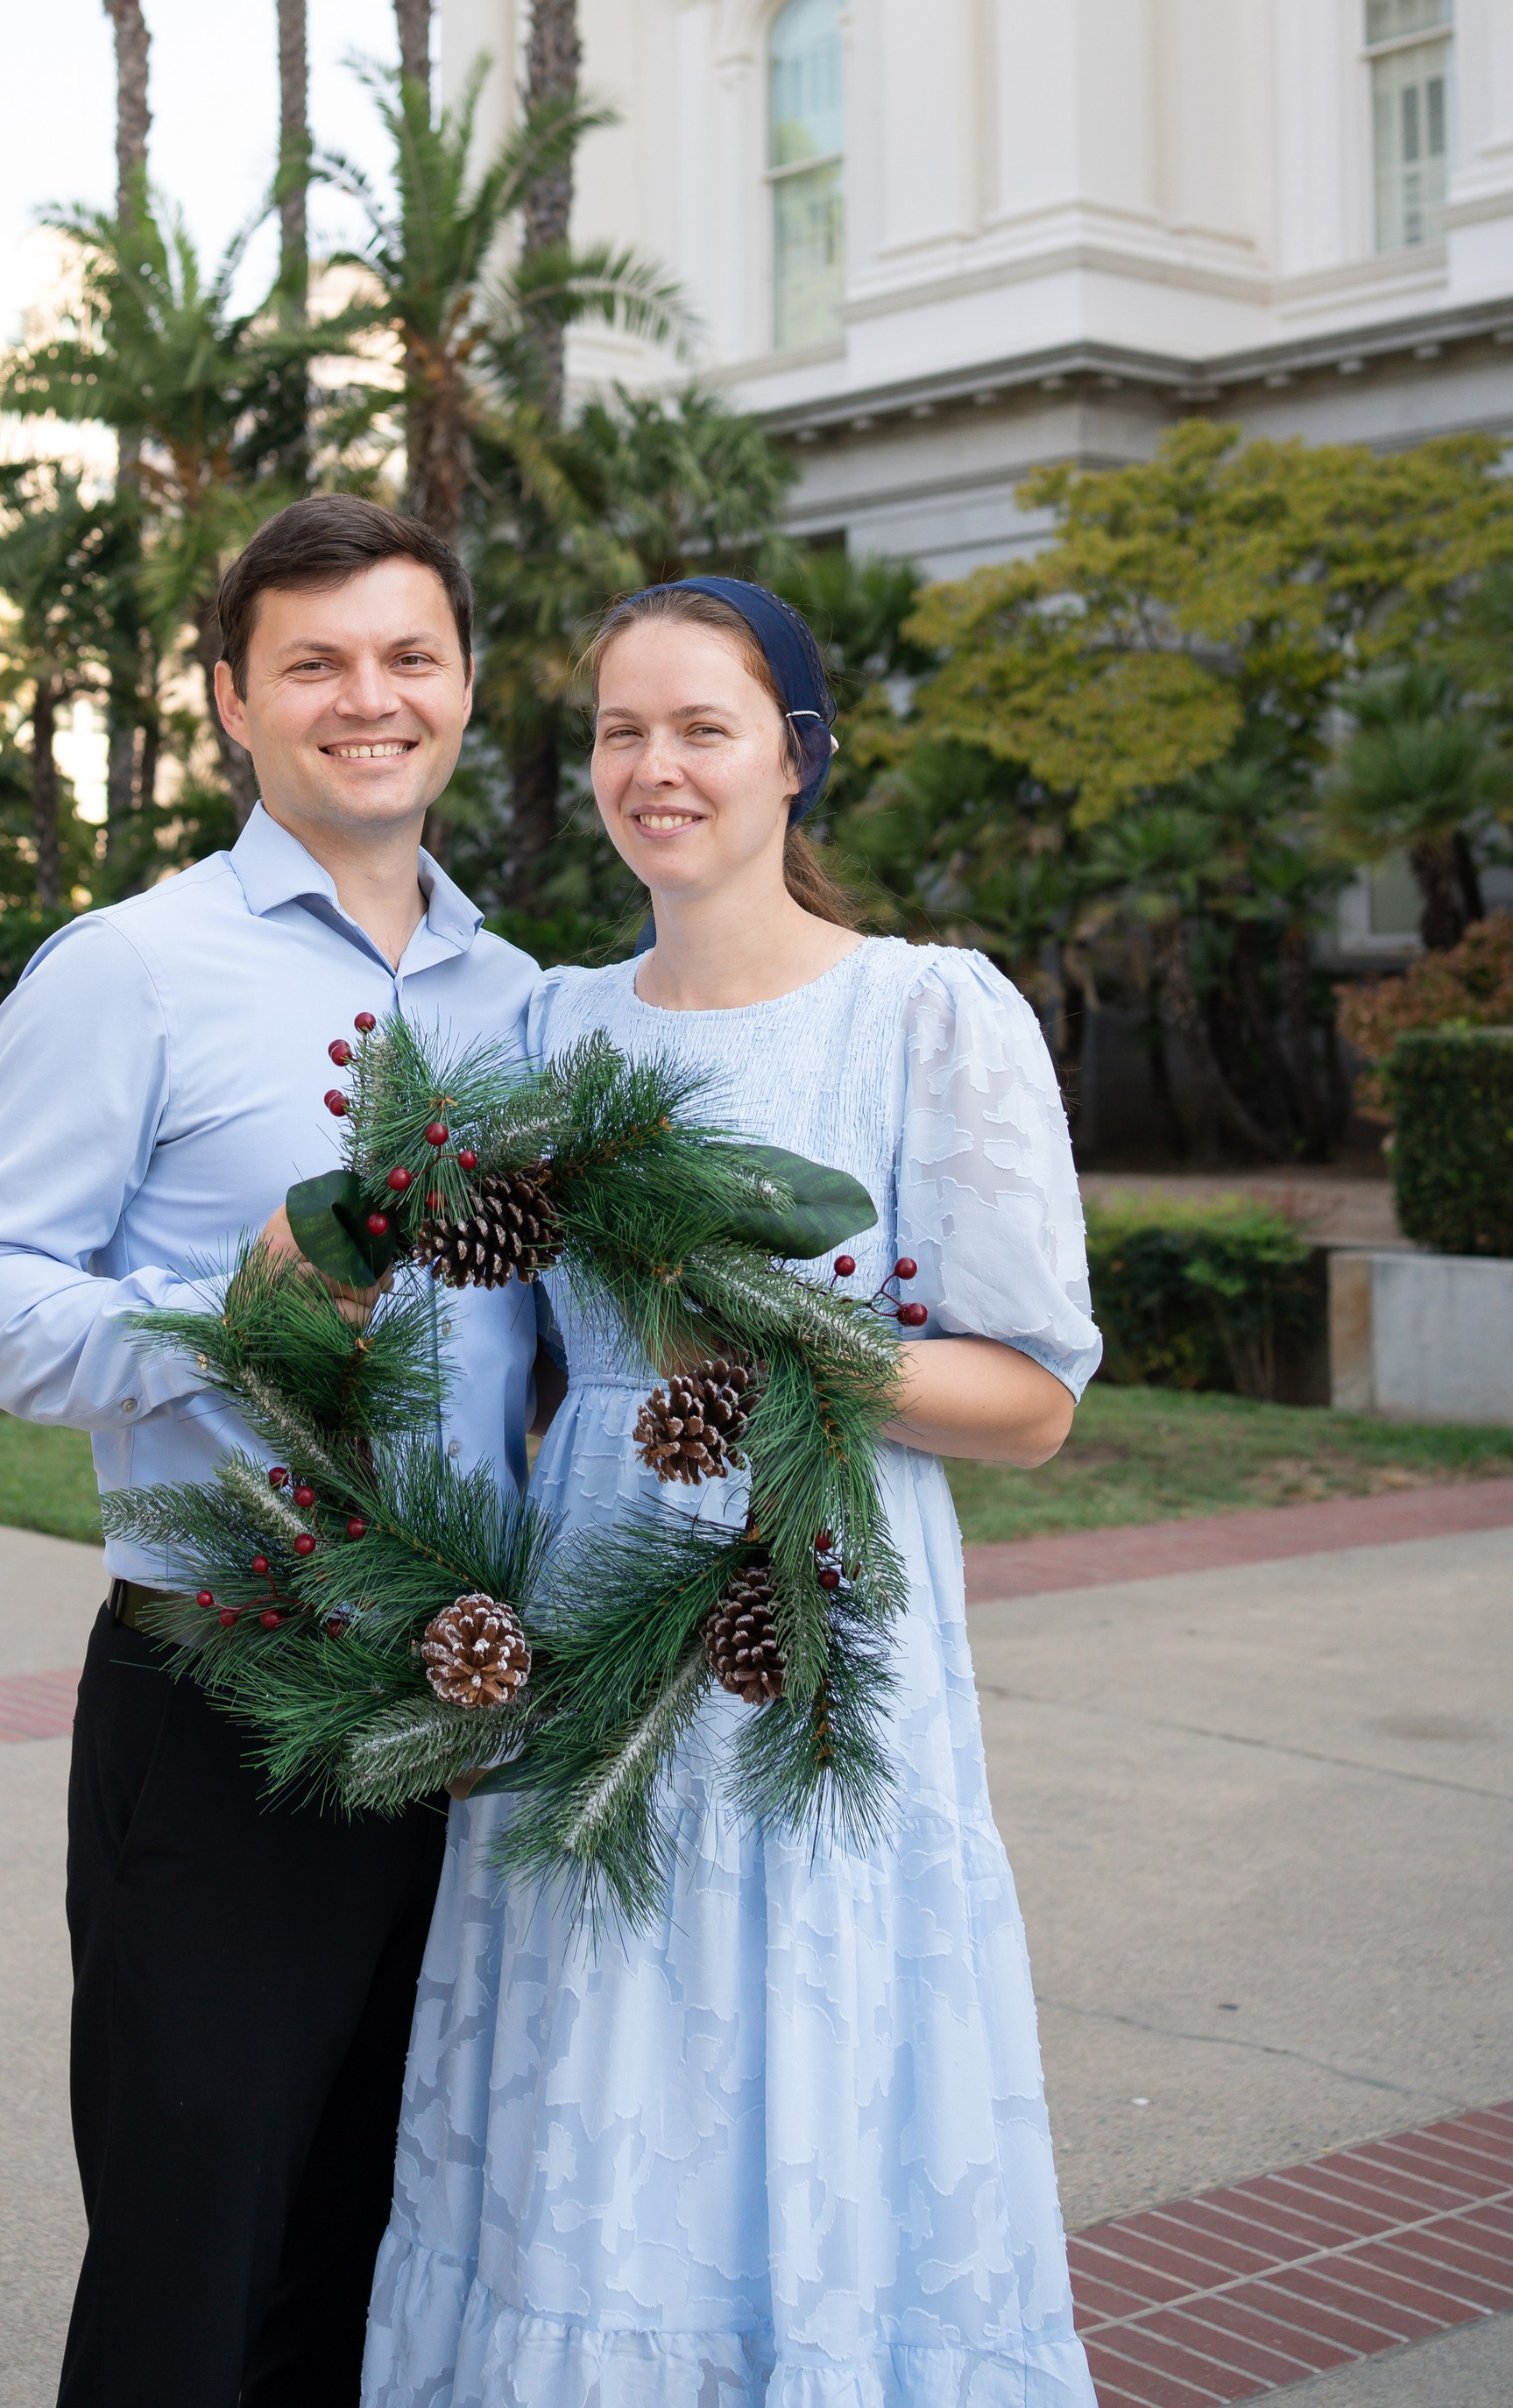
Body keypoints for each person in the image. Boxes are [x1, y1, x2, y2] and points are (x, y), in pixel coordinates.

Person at [364, 574, 1103, 2408]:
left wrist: (788, 1339)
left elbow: (1027, 1398)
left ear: (795, 754)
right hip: (589, 1612)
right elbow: (493, 1350)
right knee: (597, 2048)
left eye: (700, 725)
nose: (652, 765)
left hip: (818, 1622)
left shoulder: (924, 1013)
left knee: (804, 2029)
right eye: (619, 728)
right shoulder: (543, 1029)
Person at [0, 495, 541, 2408]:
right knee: (198, 2261)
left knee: (390, 2249)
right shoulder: (130, 966)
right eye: (315, 662)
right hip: (227, 1696)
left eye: (406, 655)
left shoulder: (526, 1001)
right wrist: (213, 1324)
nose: (370, 697)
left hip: (481, 1711)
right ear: (227, 702)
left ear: (462, 684)